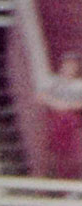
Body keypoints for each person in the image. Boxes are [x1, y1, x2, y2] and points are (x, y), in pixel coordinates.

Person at [38, 51, 82, 179]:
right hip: (54, 115)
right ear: (62, 65)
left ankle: (63, 162)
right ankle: (56, 161)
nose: (70, 68)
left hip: (71, 117)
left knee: (66, 119)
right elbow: (40, 97)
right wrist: (56, 104)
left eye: (74, 65)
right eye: (67, 64)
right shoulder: (53, 81)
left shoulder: (79, 84)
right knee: (58, 122)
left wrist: (67, 106)